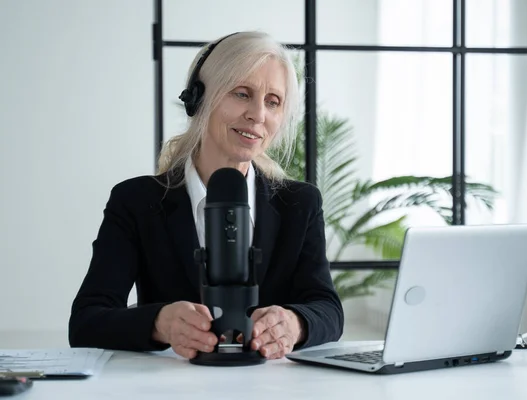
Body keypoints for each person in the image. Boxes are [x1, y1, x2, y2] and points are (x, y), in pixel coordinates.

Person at [68, 31, 344, 360]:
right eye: (242, 94)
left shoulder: (300, 203)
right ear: (199, 99)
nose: (258, 114)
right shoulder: (137, 201)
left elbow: (328, 310)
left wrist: (296, 324)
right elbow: (86, 321)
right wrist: (159, 323)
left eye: (273, 102)